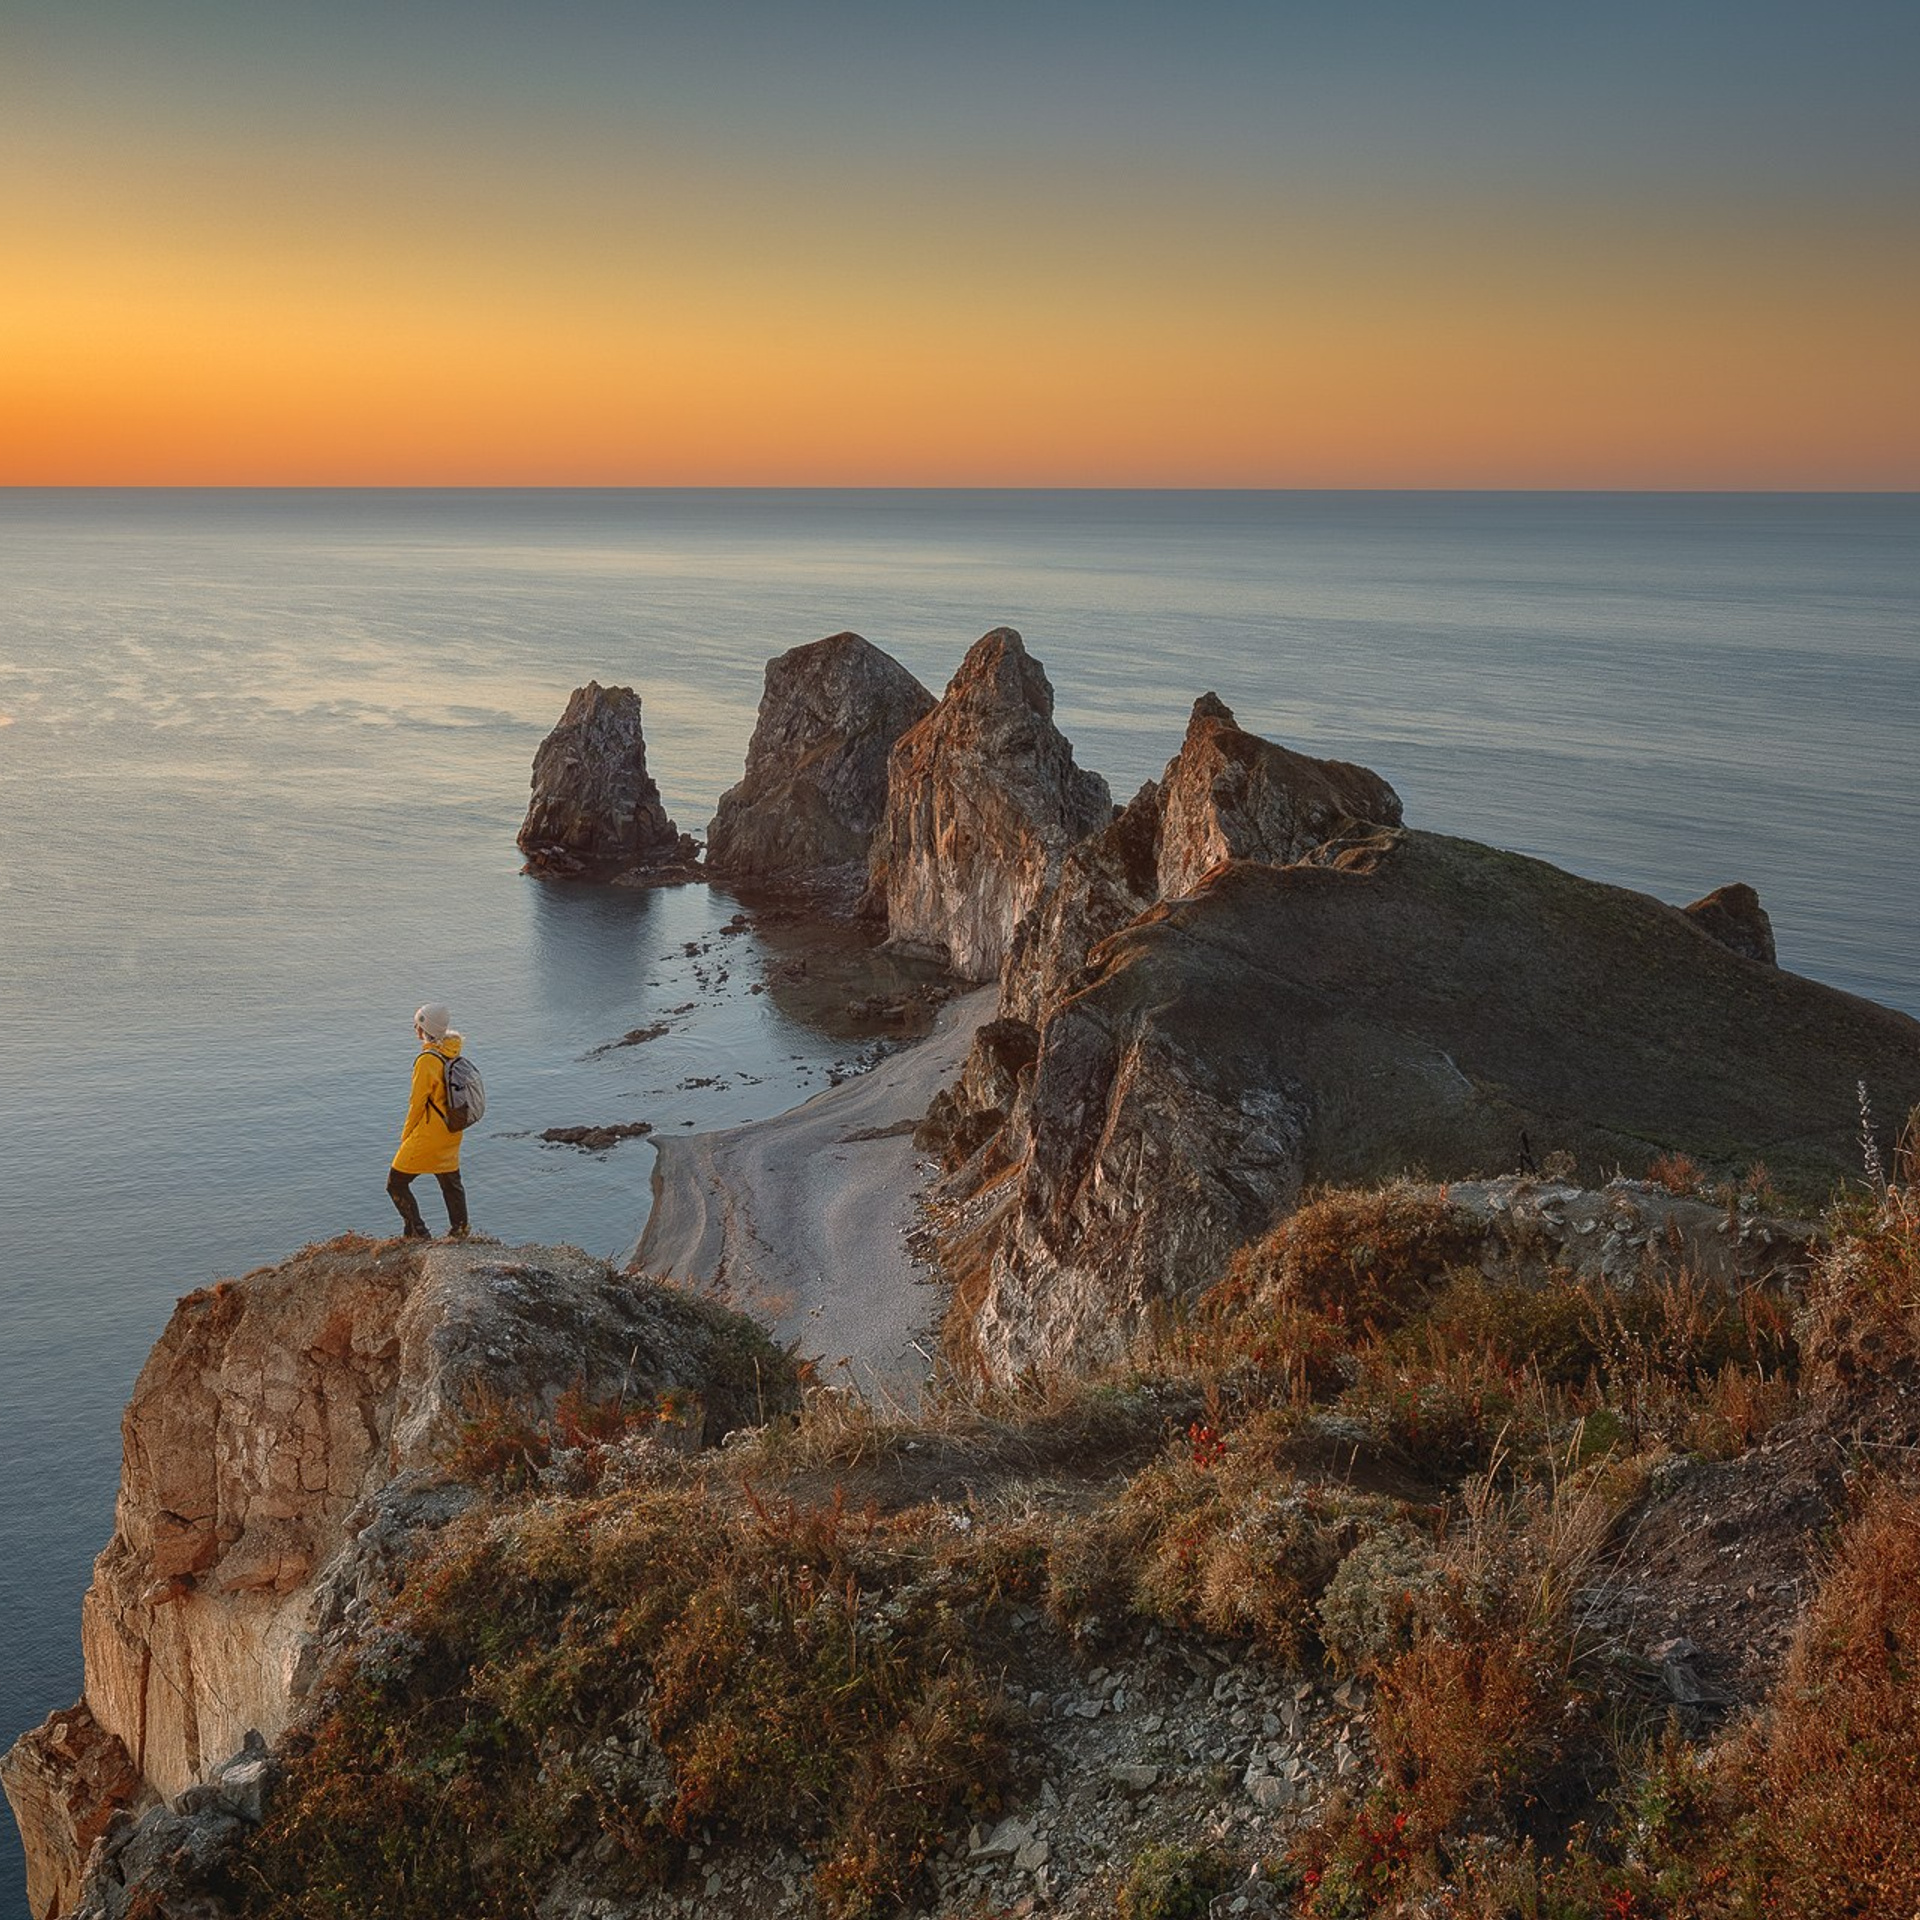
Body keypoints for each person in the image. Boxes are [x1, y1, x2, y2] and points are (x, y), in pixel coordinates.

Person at [387, 1002, 470, 1239]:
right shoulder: (452, 1052)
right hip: (453, 1129)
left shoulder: (427, 1060)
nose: (415, 1028)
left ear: (425, 1029)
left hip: (430, 1132)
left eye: (417, 1023)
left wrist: (406, 1136)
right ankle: (461, 1230)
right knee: (450, 1182)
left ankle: (417, 1231)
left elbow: (417, 1104)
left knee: (395, 1183)